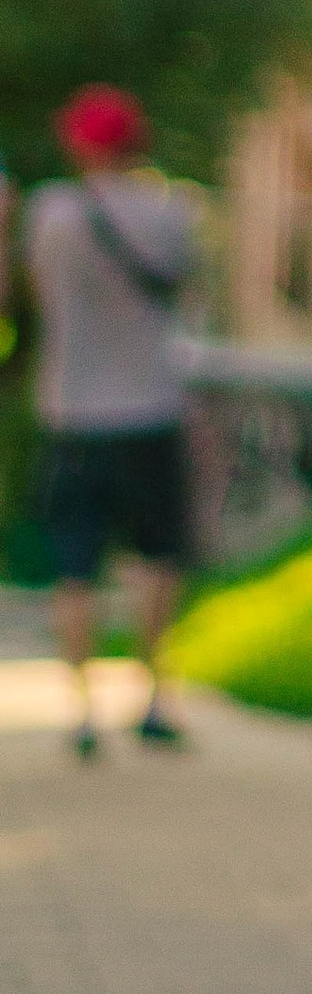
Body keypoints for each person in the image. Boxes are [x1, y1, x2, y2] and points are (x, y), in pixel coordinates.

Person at [17, 86, 199, 758]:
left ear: (79, 142)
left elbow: (36, 296)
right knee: (157, 555)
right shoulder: (169, 213)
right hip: (150, 405)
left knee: (75, 563)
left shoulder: (51, 212)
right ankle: (152, 692)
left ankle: (82, 710)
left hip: (70, 410)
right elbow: (185, 290)